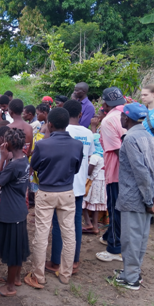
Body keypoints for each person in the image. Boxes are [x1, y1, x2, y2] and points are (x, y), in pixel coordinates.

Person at [25, 108, 83, 288]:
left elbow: (33, 166)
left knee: (41, 234)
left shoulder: (43, 144)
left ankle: (38, 275)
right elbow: (77, 168)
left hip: (46, 192)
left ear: (49, 124)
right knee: (69, 233)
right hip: (67, 192)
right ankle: (65, 274)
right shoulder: (77, 145)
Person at [112, 102, 154, 290]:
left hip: (135, 196)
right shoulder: (149, 137)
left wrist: (148, 198)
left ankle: (132, 278)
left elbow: (140, 171)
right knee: (141, 236)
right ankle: (132, 271)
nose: (120, 118)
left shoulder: (130, 139)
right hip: (149, 194)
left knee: (131, 238)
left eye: (121, 116)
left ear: (126, 118)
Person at [46, 100, 94, 276]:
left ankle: (56, 261)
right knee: (75, 223)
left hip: (61, 184)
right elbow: (88, 157)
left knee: (59, 224)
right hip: (79, 184)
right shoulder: (88, 133)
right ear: (80, 114)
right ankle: (74, 261)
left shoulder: (61, 131)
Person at [0, 128, 31, 297]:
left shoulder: (13, 165)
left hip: (10, 212)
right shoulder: (24, 160)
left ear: (8, 144)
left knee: (13, 250)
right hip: (19, 209)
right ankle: (15, 278)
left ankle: (10, 286)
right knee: (17, 247)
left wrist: (2, 158)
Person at [96, 87, 126, 263]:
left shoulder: (109, 121)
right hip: (130, 173)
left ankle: (115, 248)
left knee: (115, 207)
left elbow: (116, 150)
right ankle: (109, 235)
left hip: (117, 171)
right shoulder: (132, 112)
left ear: (105, 103)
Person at [82, 134, 107, 235]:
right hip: (102, 183)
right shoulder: (105, 155)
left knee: (83, 203)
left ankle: (88, 223)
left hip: (93, 183)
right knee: (95, 205)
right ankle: (95, 226)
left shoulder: (95, 157)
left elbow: (89, 172)